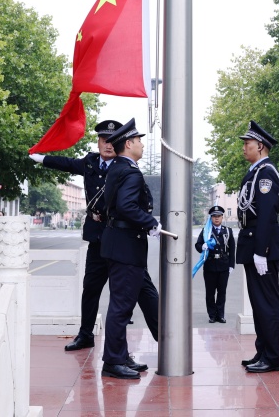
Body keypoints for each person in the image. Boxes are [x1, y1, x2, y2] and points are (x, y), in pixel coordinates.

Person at [30, 119, 131, 352]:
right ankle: (85, 335)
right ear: (98, 142)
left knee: (127, 291)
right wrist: (41, 157)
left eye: (113, 141)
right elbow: (66, 163)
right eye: (104, 140)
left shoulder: (125, 165)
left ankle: (138, 339)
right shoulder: (90, 162)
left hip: (119, 237)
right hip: (96, 237)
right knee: (91, 288)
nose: (108, 145)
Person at [98, 119, 159, 379]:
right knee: (121, 306)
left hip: (121, 244)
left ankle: (124, 354)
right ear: (129, 143)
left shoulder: (118, 168)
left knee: (147, 296)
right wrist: (151, 222)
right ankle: (113, 361)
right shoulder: (130, 172)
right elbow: (126, 206)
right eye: (139, 141)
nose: (142, 145)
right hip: (126, 245)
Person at [236, 120, 279, 374]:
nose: (244, 148)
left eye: (248, 143)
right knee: (258, 303)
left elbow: (265, 214)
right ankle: (263, 351)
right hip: (252, 239)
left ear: (261, 146)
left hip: (260, 243)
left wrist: (260, 251)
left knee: (267, 303)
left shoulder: (266, 173)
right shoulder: (255, 172)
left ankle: (274, 356)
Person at [195, 205, 235, 323]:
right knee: (210, 292)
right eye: (214, 216)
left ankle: (220, 315)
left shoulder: (228, 231)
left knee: (222, 292)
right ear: (211, 218)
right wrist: (203, 246)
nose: (216, 218)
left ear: (222, 217)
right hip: (210, 266)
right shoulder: (206, 231)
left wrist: (231, 265)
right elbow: (197, 245)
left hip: (224, 266)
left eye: (218, 216)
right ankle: (212, 315)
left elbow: (232, 249)